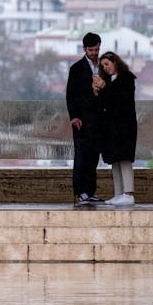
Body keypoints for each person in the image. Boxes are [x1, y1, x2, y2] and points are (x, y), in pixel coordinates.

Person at [65, 33, 105, 206]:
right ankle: (80, 192)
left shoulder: (104, 67)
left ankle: (90, 191)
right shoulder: (76, 69)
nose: (94, 53)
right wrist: (74, 117)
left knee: (94, 157)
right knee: (82, 157)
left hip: (98, 120)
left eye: (97, 49)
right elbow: (70, 96)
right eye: (91, 50)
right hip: (82, 121)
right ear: (84, 49)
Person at [97, 51, 138, 207]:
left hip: (124, 126)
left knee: (125, 159)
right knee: (115, 160)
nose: (106, 68)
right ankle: (118, 193)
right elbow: (105, 102)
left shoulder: (126, 78)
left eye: (107, 64)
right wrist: (99, 90)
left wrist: (105, 87)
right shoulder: (110, 80)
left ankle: (128, 193)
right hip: (112, 127)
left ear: (115, 62)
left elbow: (120, 99)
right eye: (103, 66)